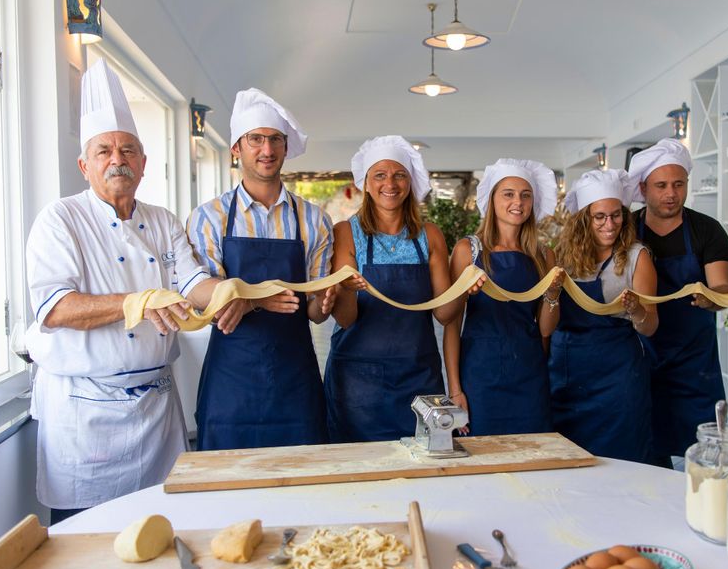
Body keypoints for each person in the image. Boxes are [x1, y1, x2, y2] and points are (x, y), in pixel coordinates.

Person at [25, 59, 215, 522]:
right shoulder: (61, 219)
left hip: (155, 412)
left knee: (163, 536)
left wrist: (235, 295)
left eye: (128, 150)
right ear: (84, 164)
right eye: (104, 150)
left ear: (144, 163)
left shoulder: (162, 220)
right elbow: (55, 308)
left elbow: (193, 285)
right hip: (86, 418)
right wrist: (138, 301)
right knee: (83, 548)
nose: (117, 160)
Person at [186, 88, 334, 450]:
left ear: (286, 148)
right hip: (230, 384)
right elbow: (208, 304)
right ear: (237, 147)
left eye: (275, 140)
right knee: (224, 491)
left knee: (301, 487)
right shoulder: (209, 219)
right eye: (256, 139)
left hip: (294, 380)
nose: (266, 150)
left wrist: (329, 298)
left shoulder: (313, 220)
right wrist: (259, 300)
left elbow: (313, 313)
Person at [325, 136, 472, 443]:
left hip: (419, 378)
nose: (389, 183)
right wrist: (347, 290)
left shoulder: (429, 235)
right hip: (357, 383)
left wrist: (464, 284)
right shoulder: (346, 233)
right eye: (380, 175)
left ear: (410, 182)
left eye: (399, 175)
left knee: (424, 472)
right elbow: (346, 319)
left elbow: (445, 313)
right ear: (366, 183)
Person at [628, 138, 728, 467]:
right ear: (644, 188)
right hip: (640, 355)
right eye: (661, 186)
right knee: (645, 454)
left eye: (678, 184)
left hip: (694, 362)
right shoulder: (627, 230)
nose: (671, 193)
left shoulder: (707, 230)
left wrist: (712, 297)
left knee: (704, 455)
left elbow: (723, 287)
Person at [545, 169, 658, 462]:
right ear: (584, 219)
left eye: (617, 215)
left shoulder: (637, 257)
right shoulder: (562, 257)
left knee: (622, 457)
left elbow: (650, 327)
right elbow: (546, 320)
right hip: (567, 372)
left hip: (617, 378)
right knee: (569, 459)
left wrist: (635, 309)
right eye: (600, 217)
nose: (611, 224)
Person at [442, 159, 558, 435]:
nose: (518, 201)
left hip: (529, 373)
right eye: (508, 193)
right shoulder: (467, 250)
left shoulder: (544, 255)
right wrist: (455, 390)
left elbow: (545, 329)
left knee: (534, 457)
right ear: (491, 200)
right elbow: (451, 326)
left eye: (525, 195)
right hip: (480, 376)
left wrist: (553, 295)